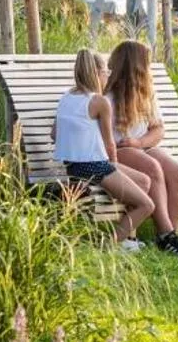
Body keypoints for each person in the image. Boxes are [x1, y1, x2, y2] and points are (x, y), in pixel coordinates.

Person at [53, 48, 157, 250]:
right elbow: (110, 144)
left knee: (143, 181)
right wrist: (115, 169)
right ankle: (108, 246)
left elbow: (54, 134)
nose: (106, 77)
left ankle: (128, 240)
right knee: (147, 205)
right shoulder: (99, 102)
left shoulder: (66, 98)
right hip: (96, 168)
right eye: (105, 73)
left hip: (74, 167)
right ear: (97, 73)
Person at [104, 40, 178, 256]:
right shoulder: (108, 97)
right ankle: (165, 232)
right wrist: (134, 145)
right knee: (152, 167)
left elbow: (158, 129)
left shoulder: (147, 94)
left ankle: (174, 237)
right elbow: (107, 140)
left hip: (139, 146)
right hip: (119, 151)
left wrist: (140, 142)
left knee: (177, 172)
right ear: (135, 67)